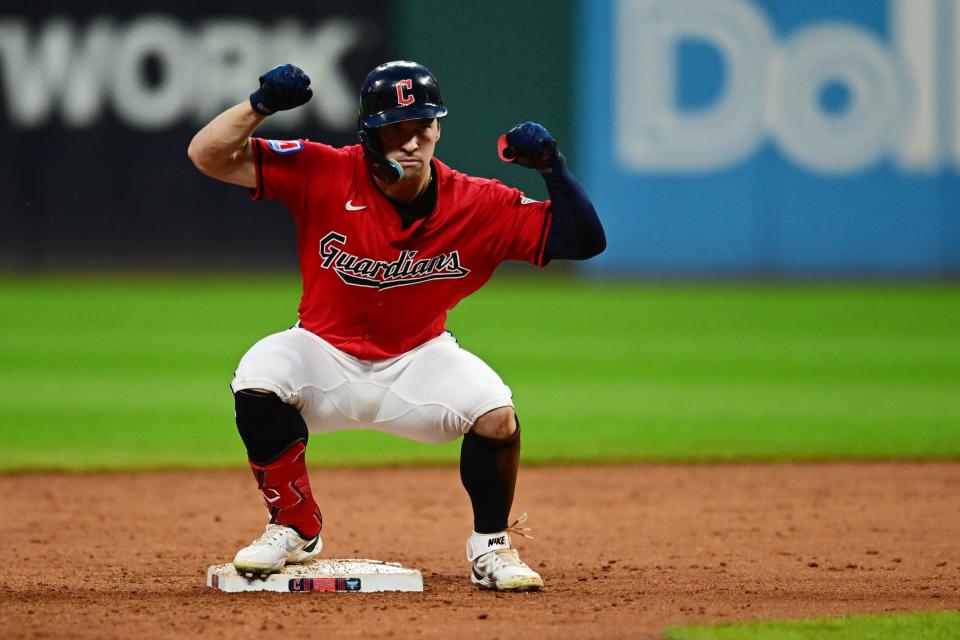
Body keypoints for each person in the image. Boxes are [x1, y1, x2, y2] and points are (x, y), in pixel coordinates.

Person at [187, 60, 605, 592]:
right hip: (323, 356)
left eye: (421, 126)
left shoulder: (478, 203)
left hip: (418, 361)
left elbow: (583, 241)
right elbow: (207, 155)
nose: (410, 142)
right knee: (258, 374)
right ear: (370, 136)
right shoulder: (325, 171)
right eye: (395, 129)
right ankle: (294, 525)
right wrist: (259, 106)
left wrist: (553, 167)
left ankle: (491, 546)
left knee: (496, 415)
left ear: (438, 129)